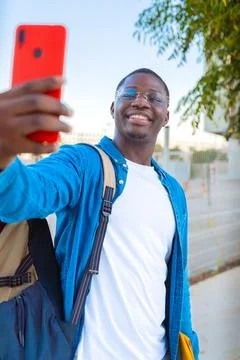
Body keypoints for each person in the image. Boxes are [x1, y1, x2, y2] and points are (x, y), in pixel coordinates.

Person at [0, 68, 199, 360]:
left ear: (166, 116)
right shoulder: (84, 163)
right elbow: (25, 196)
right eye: (129, 94)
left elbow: (178, 286)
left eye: (153, 97)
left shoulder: (173, 191)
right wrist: (3, 153)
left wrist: (189, 349)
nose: (141, 101)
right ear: (113, 107)